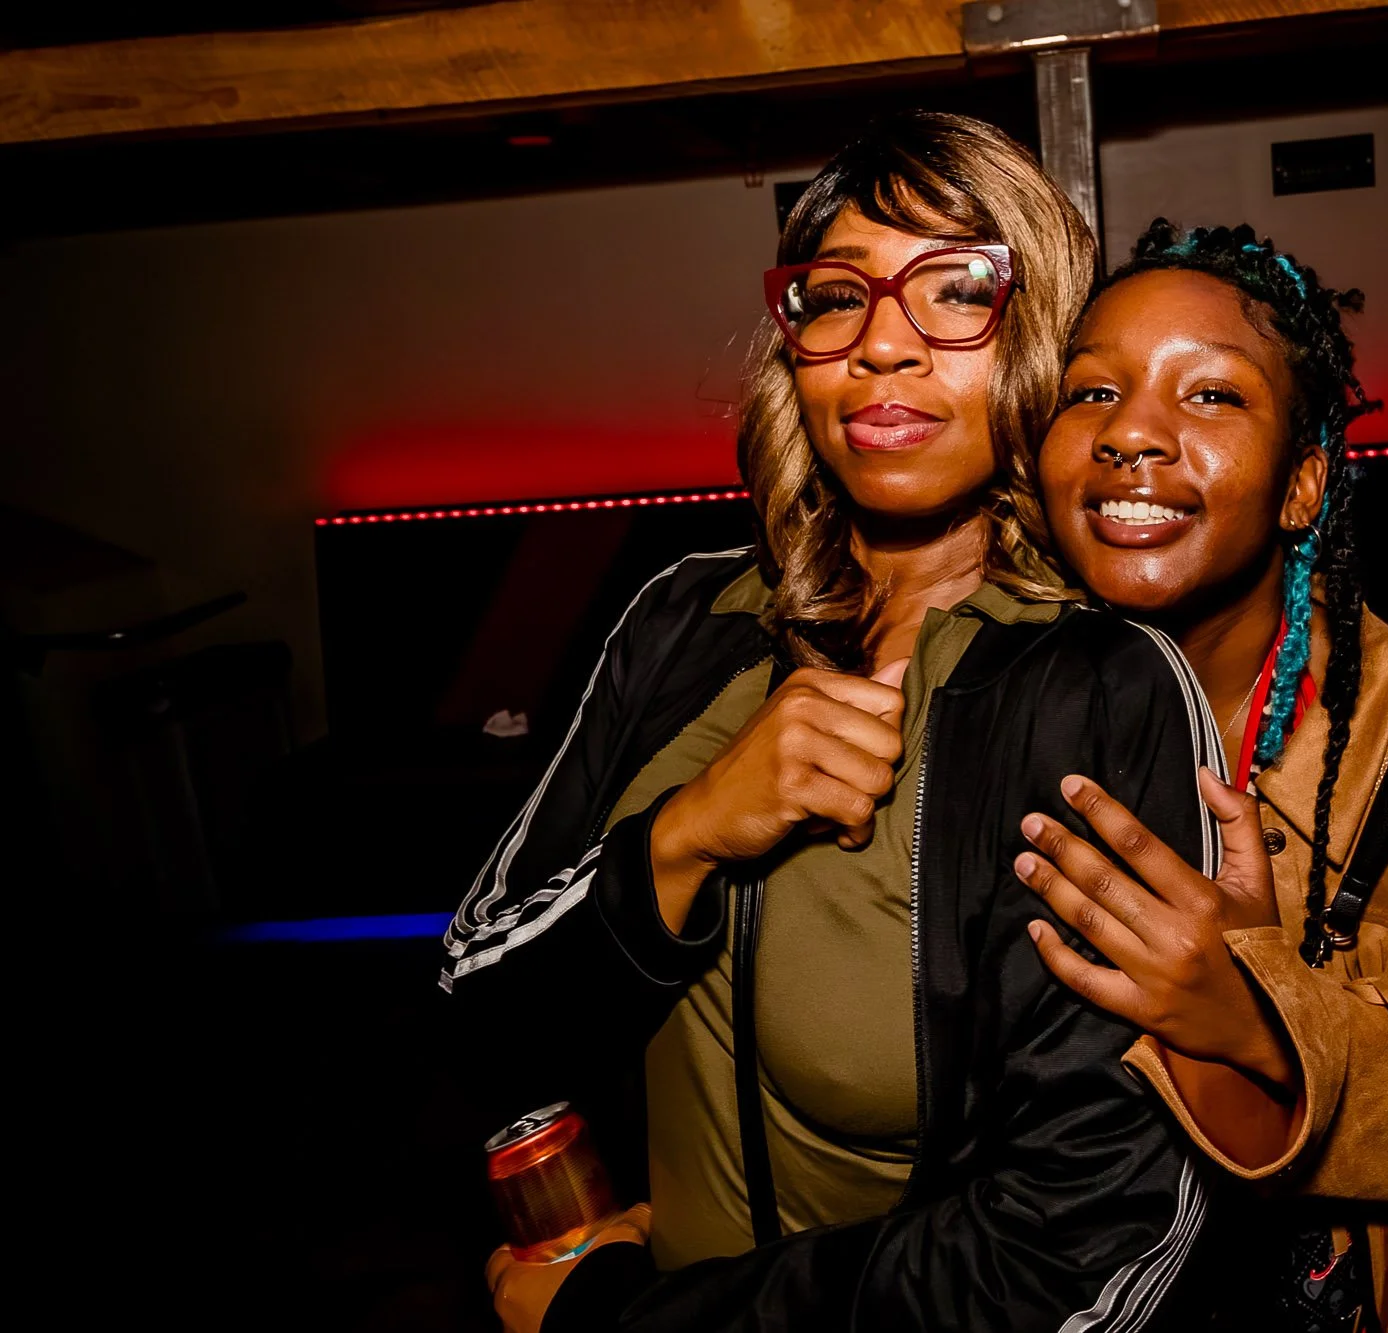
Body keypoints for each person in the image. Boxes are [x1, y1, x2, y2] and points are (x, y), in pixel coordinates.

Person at [446, 117, 1232, 1333]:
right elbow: (476, 1003)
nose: (880, 344)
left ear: (1037, 338)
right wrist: (687, 834)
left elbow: (1085, 1246)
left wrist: (624, 1320)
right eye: (835, 296)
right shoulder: (688, 615)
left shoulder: (1092, 686)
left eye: (956, 291)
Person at [1020, 221, 1388, 1330]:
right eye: (1091, 393)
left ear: (1300, 484)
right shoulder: (1007, 707)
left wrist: (1261, 1021)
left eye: (1210, 395)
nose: (1130, 432)